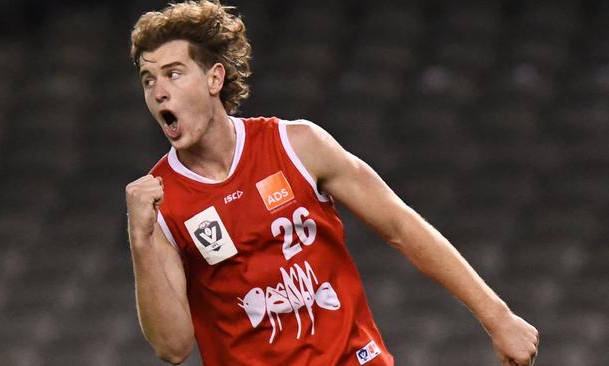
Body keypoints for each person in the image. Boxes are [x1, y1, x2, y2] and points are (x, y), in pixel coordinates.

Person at [124, 1, 539, 365]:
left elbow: (401, 226)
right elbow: (173, 348)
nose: (159, 91)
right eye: (148, 80)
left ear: (214, 79)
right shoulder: (163, 202)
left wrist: (498, 317)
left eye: (173, 74)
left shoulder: (297, 145)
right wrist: (141, 240)